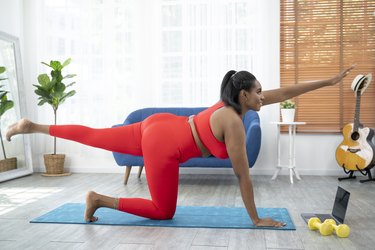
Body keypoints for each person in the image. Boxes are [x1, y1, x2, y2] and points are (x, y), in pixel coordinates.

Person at [6, 65, 354, 227]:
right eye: (259, 92)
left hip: (161, 123)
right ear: (245, 95)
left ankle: (31, 125)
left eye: (263, 91)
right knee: (163, 211)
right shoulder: (233, 121)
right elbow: (243, 176)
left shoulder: (235, 103)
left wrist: (329, 81)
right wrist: (256, 218)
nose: (265, 96)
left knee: (95, 134)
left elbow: (286, 92)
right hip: (163, 144)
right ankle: (97, 198)